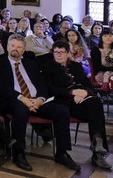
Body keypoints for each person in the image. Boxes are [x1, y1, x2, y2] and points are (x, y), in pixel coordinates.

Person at [0, 34, 79, 172]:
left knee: (62, 111)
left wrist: (40, 99)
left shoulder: (31, 64)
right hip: (13, 100)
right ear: (7, 47)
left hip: (36, 101)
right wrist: (22, 98)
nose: (16, 49)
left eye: (19, 47)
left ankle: (62, 153)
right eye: (13, 45)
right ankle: (19, 152)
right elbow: (1, 88)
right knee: (21, 109)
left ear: (24, 50)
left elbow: (42, 84)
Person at [42, 41, 111, 169]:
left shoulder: (76, 66)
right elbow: (50, 89)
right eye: (56, 52)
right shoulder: (48, 67)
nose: (58, 55)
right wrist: (72, 92)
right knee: (94, 113)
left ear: (68, 53)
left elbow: (89, 84)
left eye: (62, 52)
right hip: (62, 101)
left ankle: (97, 148)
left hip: (81, 101)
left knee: (95, 103)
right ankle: (92, 152)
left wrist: (85, 92)